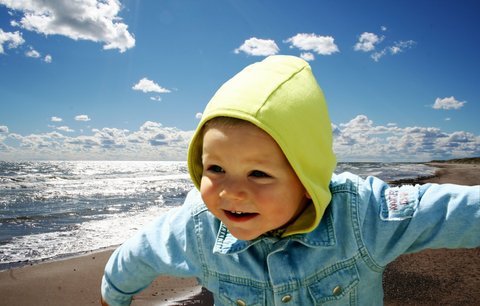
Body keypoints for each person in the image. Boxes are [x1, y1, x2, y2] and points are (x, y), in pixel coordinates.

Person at [101, 55, 480, 305]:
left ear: (306, 177)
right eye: (215, 169)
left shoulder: (361, 217)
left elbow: (452, 212)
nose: (231, 191)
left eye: (259, 173)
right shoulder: (198, 229)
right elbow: (134, 257)